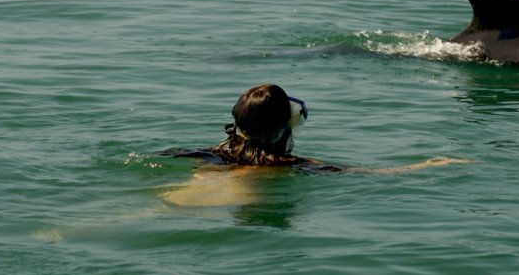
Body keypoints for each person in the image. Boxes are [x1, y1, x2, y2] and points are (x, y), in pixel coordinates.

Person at [159, 84, 469, 206]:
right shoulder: (292, 166)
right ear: (288, 126)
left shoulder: (207, 154)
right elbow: (373, 174)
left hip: (176, 200)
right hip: (215, 208)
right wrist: (431, 165)